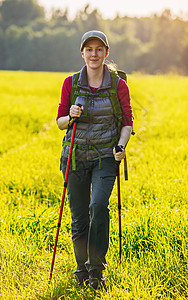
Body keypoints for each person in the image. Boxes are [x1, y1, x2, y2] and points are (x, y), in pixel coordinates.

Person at [56, 30, 133, 290]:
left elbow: (127, 123)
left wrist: (121, 146)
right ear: (82, 53)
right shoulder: (71, 83)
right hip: (74, 157)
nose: (94, 54)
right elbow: (59, 123)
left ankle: (96, 271)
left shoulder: (118, 85)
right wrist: (71, 115)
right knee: (79, 218)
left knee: (98, 207)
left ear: (106, 53)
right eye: (89, 49)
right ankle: (81, 268)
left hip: (105, 156)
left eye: (99, 49)